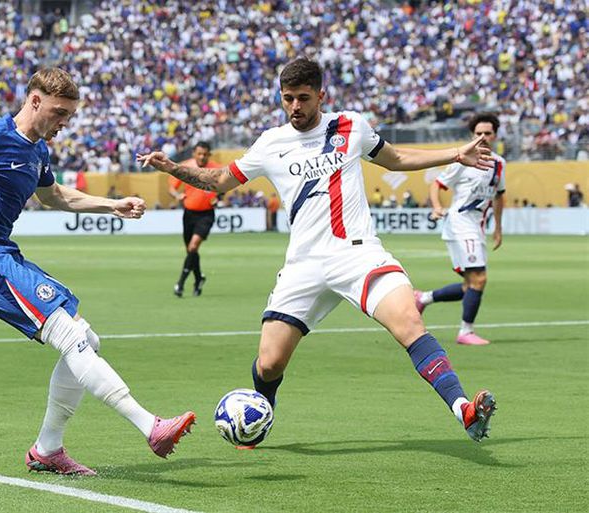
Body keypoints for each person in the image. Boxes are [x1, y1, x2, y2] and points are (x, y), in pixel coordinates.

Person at [138, 57, 497, 444]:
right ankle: (260, 418)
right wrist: (174, 168)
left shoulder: (350, 125)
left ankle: (464, 409)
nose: (295, 107)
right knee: (270, 362)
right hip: (304, 265)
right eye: (288, 99)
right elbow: (221, 180)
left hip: (358, 254)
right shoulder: (271, 143)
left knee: (409, 323)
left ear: (321, 95)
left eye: (303, 98)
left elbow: (396, 159)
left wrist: (455, 153)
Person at [0, 67, 195, 477]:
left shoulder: (38, 151)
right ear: (34, 101)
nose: (64, 123)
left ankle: (48, 449)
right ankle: (149, 425)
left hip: (2, 254)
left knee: (86, 338)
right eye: (59, 112)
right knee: (70, 335)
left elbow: (54, 196)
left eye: (68, 114)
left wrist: (111, 205)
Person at [414, 113, 506, 346]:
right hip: (461, 224)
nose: (483, 137)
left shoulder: (499, 164)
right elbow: (437, 184)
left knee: (470, 284)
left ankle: (423, 298)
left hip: (477, 228)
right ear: (471, 135)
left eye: (488, 133)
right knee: (480, 278)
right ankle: (466, 331)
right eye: (478, 133)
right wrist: (436, 206)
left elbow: (499, 196)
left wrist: (498, 228)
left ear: (495, 135)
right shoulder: (463, 160)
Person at [167, 141, 221, 297]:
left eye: (205, 154)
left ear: (209, 155)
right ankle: (198, 279)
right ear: (194, 154)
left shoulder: (216, 168)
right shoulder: (186, 167)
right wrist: (177, 195)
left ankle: (180, 283)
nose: (202, 157)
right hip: (189, 214)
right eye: (199, 154)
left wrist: (218, 196)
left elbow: (227, 185)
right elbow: (171, 187)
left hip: (206, 214)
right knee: (191, 251)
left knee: (193, 247)